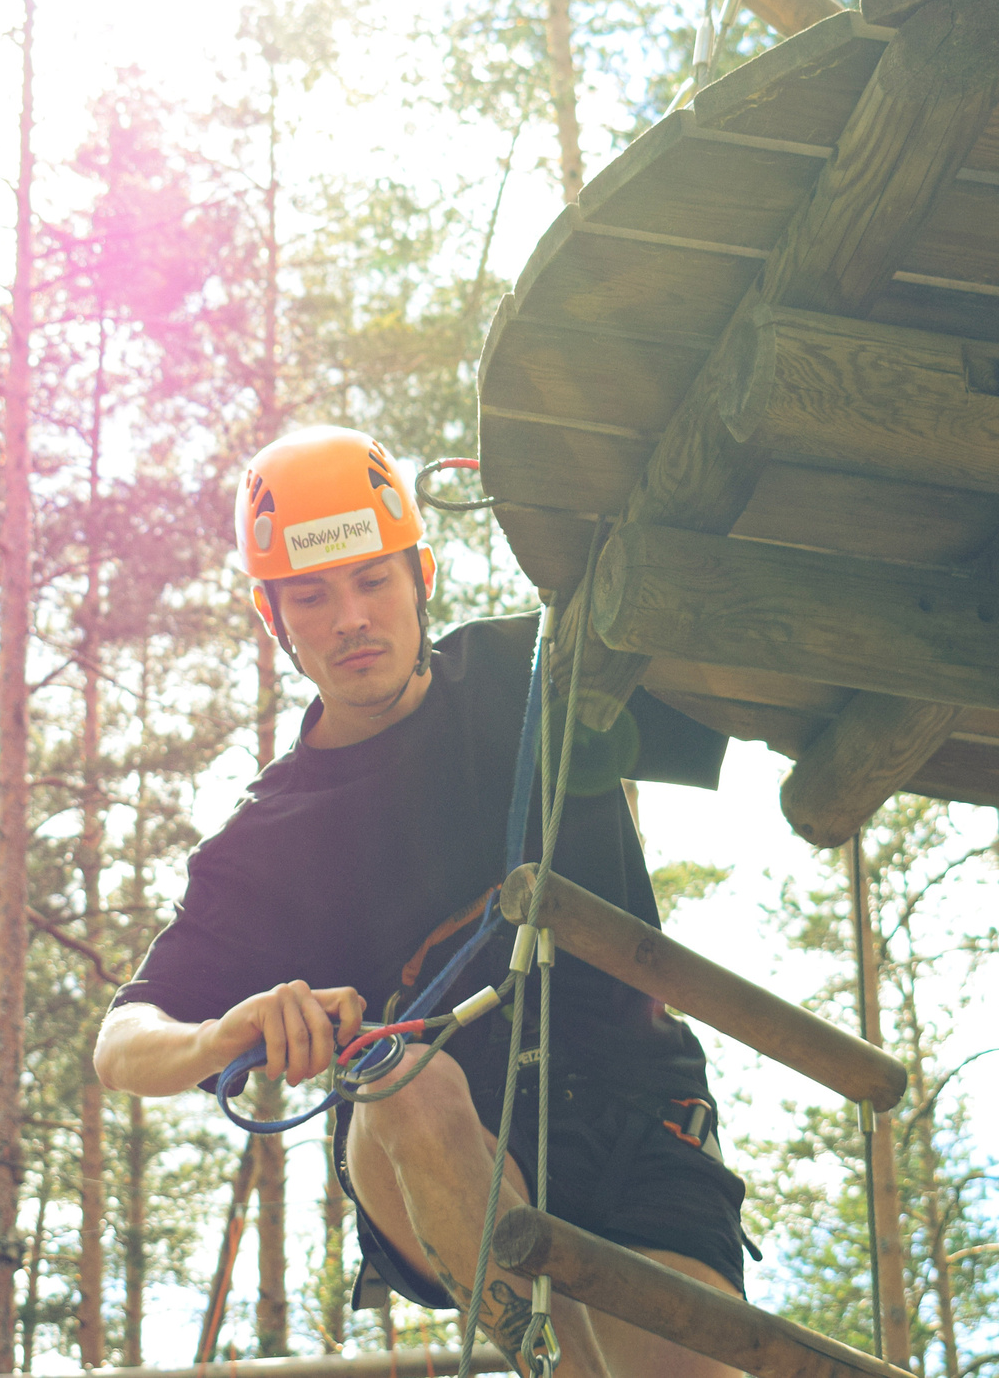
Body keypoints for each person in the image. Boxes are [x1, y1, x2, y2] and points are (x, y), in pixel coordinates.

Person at [93, 426, 751, 1378]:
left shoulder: (545, 669)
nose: (350, 618)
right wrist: (222, 1034)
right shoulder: (271, 837)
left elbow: (731, 643)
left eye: (372, 581)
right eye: (312, 596)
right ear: (272, 617)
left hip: (640, 1112)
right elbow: (122, 1043)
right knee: (400, 1075)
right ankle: (544, 1362)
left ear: (422, 575)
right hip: (436, 1144)